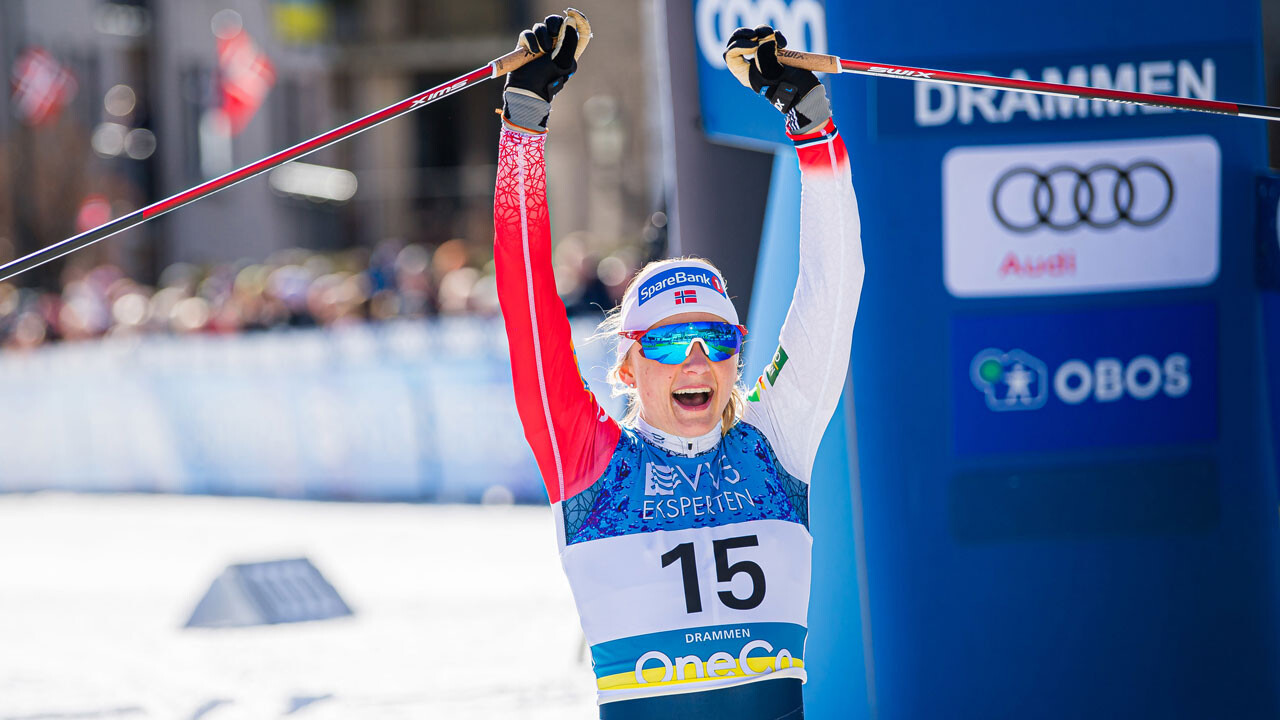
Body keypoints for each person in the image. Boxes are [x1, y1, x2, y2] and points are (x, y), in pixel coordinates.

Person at [493, 15, 863, 719]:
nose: (696, 361)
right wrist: (524, 127)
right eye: (667, 344)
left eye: (715, 341)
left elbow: (833, 290)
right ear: (628, 366)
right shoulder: (590, 464)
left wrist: (813, 127)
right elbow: (527, 310)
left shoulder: (775, 443)